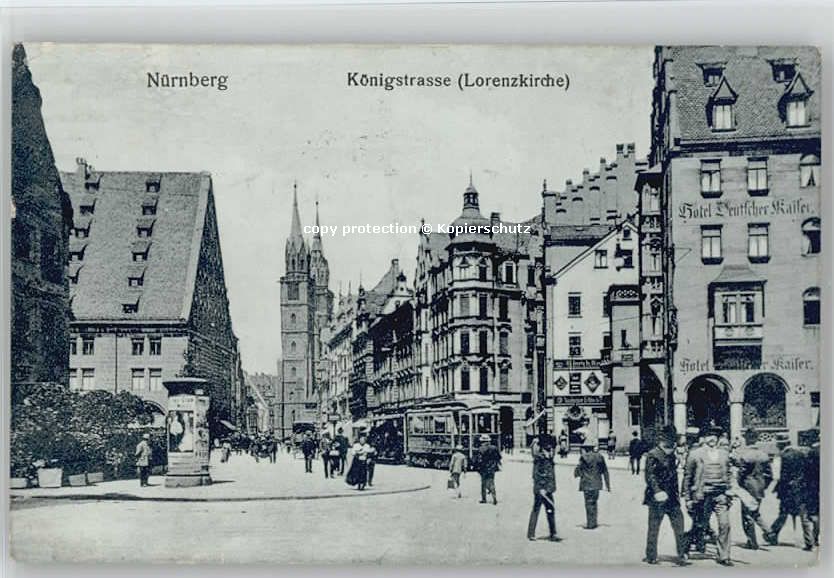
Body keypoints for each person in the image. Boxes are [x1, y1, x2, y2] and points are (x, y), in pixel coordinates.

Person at [643, 425, 688, 566]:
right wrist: (657, 491)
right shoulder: (653, 454)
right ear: (662, 440)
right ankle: (651, 555)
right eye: (671, 440)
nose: (673, 443)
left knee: (679, 525)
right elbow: (650, 476)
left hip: (672, 499)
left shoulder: (672, 454)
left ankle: (682, 554)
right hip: (658, 498)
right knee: (654, 527)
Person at [688, 427, 733, 566]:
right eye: (709, 435)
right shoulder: (695, 454)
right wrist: (688, 498)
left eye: (715, 436)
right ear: (704, 438)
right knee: (700, 525)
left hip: (720, 495)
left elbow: (729, 473)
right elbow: (688, 476)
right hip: (703, 495)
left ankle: (724, 556)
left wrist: (730, 489)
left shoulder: (724, 454)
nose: (712, 438)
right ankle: (688, 546)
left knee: (725, 525)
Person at [731, 429, 773, 550]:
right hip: (760, 487)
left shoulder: (745, 455)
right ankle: (767, 531)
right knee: (754, 511)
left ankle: (753, 541)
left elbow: (741, 474)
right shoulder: (764, 455)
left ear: (747, 439)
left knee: (747, 515)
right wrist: (764, 485)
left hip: (748, 487)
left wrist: (738, 487)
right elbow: (769, 475)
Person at [768, 442, 814, 549]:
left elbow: (781, 476)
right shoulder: (801, 454)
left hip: (788, 490)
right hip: (801, 488)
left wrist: (779, 489)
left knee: (783, 513)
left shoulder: (783, 456)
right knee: (804, 515)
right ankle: (809, 541)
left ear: (780, 446)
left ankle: (772, 534)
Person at [527, 434, 560, 542]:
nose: (551, 450)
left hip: (548, 489)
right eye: (549, 448)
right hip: (541, 489)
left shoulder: (548, 458)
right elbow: (536, 474)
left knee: (550, 510)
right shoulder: (540, 459)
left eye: (551, 448)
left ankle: (553, 532)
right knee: (536, 509)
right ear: (543, 448)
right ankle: (531, 533)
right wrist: (541, 488)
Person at [574, 442, 610, 530]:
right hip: (597, 483)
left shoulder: (583, 457)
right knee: (594, 502)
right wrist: (608, 485)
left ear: (585, 448)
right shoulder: (599, 456)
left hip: (586, 483)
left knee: (588, 503)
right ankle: (594, 522)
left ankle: (590, 523)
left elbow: (577, 473)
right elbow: (604, 471)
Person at [476, 434, 502, 505]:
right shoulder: (494, 448)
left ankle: (484, 499)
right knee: (491, 482)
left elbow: (479, 460)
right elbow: (499, 457)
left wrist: (477, 467)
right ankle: (494, 498)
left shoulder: (481, 449)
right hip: (492, 468)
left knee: (483, 484)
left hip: (483, 468)